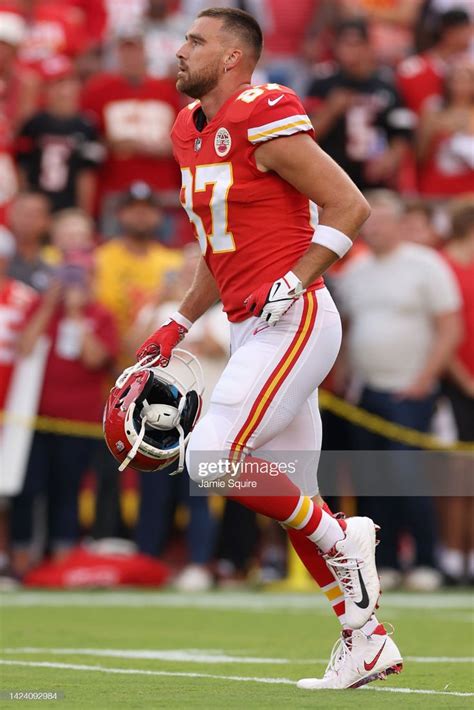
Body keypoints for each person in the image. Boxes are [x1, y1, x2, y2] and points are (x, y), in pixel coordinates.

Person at [133, 7, 402, 690]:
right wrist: (178, 321)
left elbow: (350, 206)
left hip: (293, 318)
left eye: (196, 41)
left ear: (233, 57)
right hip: (254, 321)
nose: (180, 50)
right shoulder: (184, 129)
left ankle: (348, 538)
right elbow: (215, 247)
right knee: (292, 497)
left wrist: (296, 279)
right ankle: (364, 640)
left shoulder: (263, 109)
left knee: (212, 457)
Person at [336, 190, 461, 590]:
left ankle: (426, 560)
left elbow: (449, 326)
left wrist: (425, 378)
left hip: (411, 390)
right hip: (366, 394)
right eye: (368, 222)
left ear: (399, 223)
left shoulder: (425, 265)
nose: (374, 229)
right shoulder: (355, 272)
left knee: (410, 476)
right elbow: (348, 329)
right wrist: (342, 374)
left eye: (382, 220)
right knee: (373, 481)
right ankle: (383, 562)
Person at [10, 260, 118, 577]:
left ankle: (61, 562)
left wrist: (75, 316)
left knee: (67, 491)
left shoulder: (101, 315)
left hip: (78, 423)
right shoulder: (40, 310)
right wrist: (48, 305)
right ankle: (20, 560)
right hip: (34, 421)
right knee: (27, 490)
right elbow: (25, 347)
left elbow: (95, 357)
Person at [81, 28, 181, 235]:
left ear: (145, 53)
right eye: (125, 51)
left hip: (162, 185)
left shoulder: (167, 90)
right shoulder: (98, 90)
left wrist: (162, 148)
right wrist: (112, 144)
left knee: (166, 254)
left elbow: (184, 134)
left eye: (136, 51)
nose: (131, 57)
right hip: (116, 186)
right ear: (117, 55)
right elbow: (88, 137)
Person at [307, 19, 414, 192]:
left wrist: (389, 159)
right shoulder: (323, 83)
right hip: (332, 179)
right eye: (345, 44)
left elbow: (402, 132)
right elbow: (307, 134)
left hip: (374, 180)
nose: (350, 51)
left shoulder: (385, 85)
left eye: (356, 44)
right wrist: (331, 110)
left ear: (367, 46)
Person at [16, 55, 103, 214]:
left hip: (69, 206)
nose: (63, 90)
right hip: (37, 205)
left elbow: (87, 175)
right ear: (45, 89)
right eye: (56, 84)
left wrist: (84, 213)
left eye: (68, 82)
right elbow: (22, 168)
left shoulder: (87, 126)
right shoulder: (34, 124)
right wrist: (26, 203)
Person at [440, 201, 474, 584]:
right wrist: (463, 378)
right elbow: (442, 328)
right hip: (453, 385)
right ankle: (452, 557)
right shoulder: (443, 266)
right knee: (455, 475)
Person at [396, 8, 471, 115]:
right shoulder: (413, 69)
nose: (470, 36)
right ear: (449, 33)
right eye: (466, 30)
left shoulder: (468, 65)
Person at [416, 59, 474, 197]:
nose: (461, 86)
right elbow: (420, 155)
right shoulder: (433, 109)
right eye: (456, 80)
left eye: (467, 81)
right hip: (437, 184)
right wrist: (432, 129)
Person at [7, 191, 53, 292]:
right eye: (22, 212)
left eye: (35, 214)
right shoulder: (3, 257)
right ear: (10, 214)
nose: (28, 219)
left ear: (48, 221)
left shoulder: (54, 261)